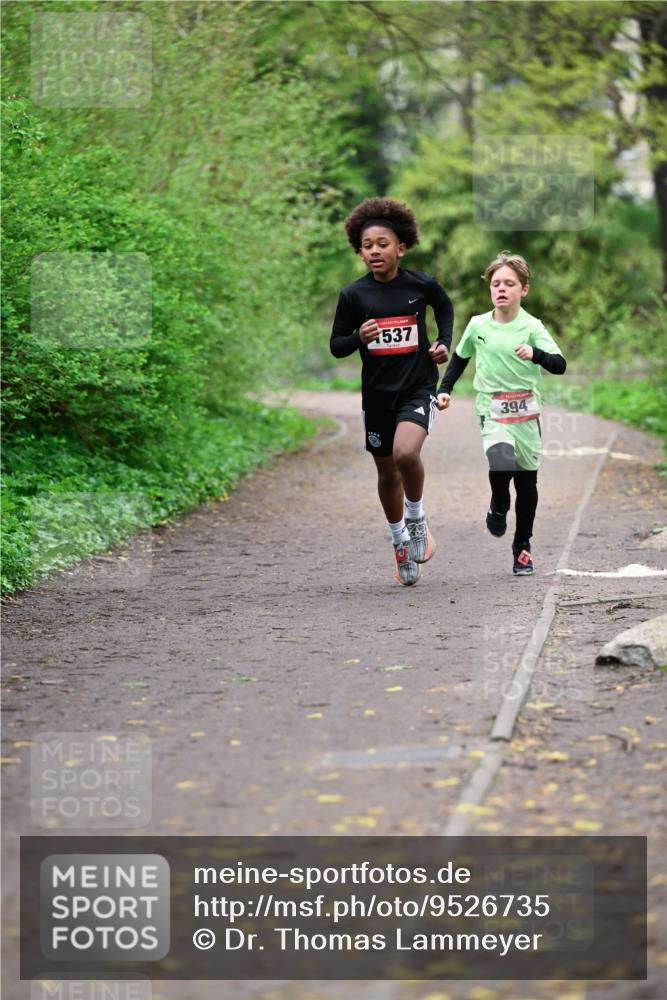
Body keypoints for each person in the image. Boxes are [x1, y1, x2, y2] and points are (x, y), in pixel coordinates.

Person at [330, 197, 454, 586]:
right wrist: (357, 337)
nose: (374, 251)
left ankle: (416, 518)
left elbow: (445, 309)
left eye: (382, 244)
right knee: (386, 473)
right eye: (367, 246)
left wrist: (442, 342)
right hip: (377, 397)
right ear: (360, 251)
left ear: (400, 247)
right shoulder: (354, 295)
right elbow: (336, 346)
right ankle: (399, 539)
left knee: (405, 453)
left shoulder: (421, 285)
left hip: (417, 387)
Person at [436, 251, 566, 576]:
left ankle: (522, 546)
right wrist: (445, 389)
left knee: (526, 482)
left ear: (524, 289)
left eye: (509, 283)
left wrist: (536, 353)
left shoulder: (532, 326)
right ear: (490, 289)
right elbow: (460, 357)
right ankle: (498, 502)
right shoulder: (478, 325)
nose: (501, 289)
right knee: (500, 457)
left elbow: (559, 364)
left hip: (526, 410)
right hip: (491, 406)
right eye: (496, 283)